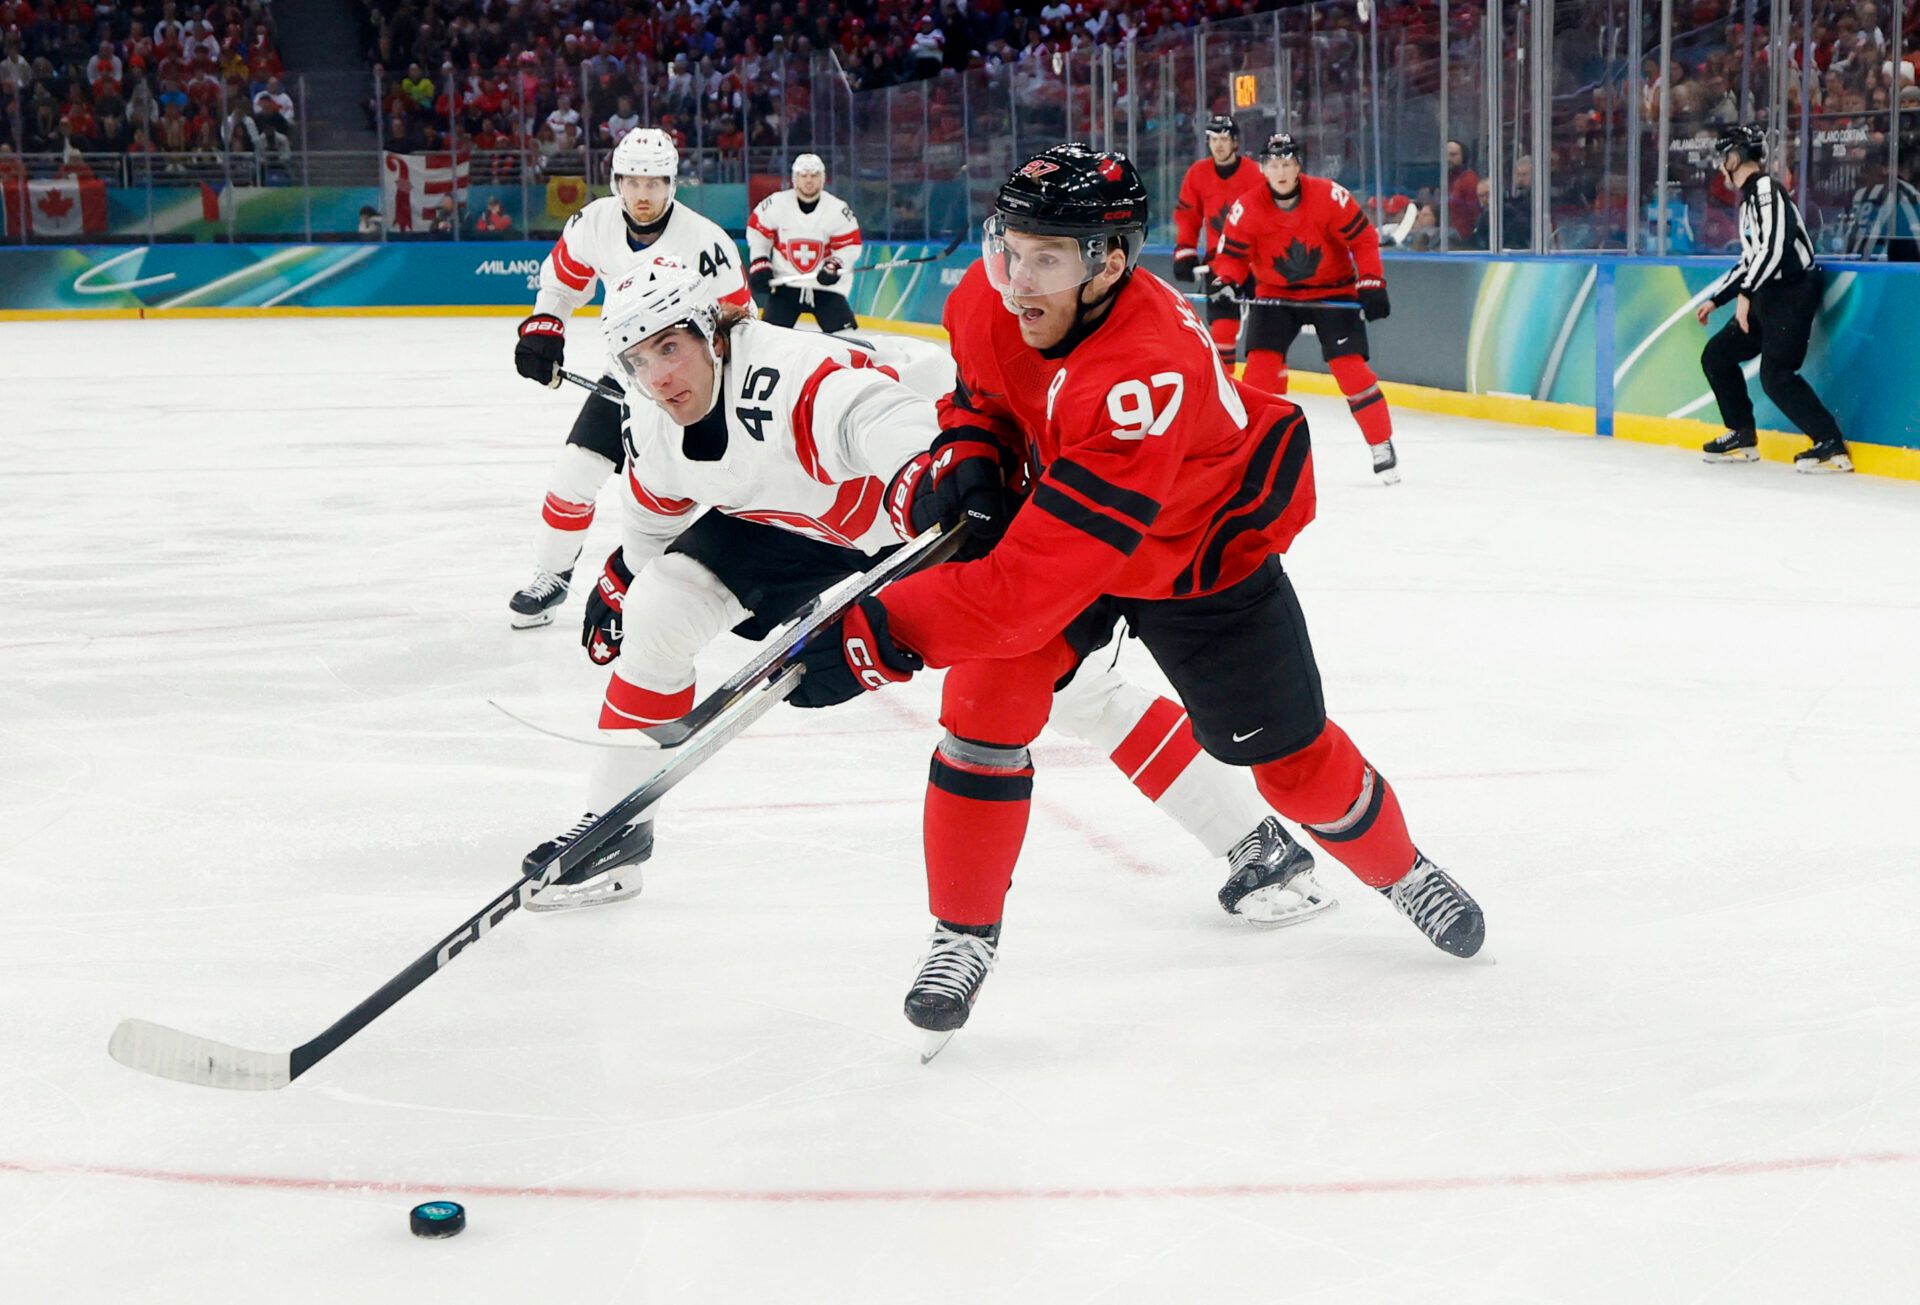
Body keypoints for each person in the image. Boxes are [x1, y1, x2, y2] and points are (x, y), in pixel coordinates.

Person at [789, 144, 1486, 1046]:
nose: (1017, 278)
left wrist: (877, 632)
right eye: (1011, 246)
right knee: (985, 705)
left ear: (1110, 263)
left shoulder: (1142, 366)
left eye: (1050, 257)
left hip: (1196, 551)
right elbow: (983, 396)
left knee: (1288, 761)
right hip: (1077, 520)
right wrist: (970, 449)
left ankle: (1402, 870)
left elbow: (1030, 587)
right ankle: (962, 931)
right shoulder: (986, 294)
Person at [525, 255, 1334, 928]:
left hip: (891, 513)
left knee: (1069, 685)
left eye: (671, 347)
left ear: (713, 329)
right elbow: (656, 508)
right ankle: (615, 833)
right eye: (639, 359)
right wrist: (623, 573)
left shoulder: (792, 376)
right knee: (662, 607)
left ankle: (1255, 838)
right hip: (792, 529)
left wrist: (932, 489)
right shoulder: (652, 418)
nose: (659, 377)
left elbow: (887, 421)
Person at [507, 126, 752, 630]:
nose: (644, 195)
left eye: (655, 183)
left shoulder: (707, 241)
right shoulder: (592, 223)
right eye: (634, 182)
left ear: (673, 184)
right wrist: (544, 328)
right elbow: (561, 283)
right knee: (573, 474)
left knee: (717, 492)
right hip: (627, 378)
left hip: (695, 392)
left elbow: (742, 325)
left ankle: (762, 575)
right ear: (617, 181)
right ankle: (552, 575)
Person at [1211, 134, 1402, 484]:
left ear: (1298, 166)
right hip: (1274, 295)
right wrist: (1225, 281)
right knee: (1259, 374)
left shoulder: (1329, 196)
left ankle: (1381, 443)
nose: (1280, 171)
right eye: (1273, 164)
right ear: (1263, 169)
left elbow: (1363, 239)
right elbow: (1233, 257)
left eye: (1286, 164)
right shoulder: (1248, 206)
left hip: (1332, 292)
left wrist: (1372, 281)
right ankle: (1255, 451)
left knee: (1350, 370)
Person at [1696, 125, 1852, 473]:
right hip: (1768, 294)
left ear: (1734, 158)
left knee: (1776, 374)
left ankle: (1829, 443)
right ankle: (1742, 433)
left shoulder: (1766, 188)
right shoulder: (1749, 203)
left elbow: (1775, 248)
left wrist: (1745, 295)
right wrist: (1719, 299)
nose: (1721, 167)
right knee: (1717, 356)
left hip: (1792, 294)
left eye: (1724, 158)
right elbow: (1751, 259)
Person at [1170, 114, 1267, 367]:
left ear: (1235, 142)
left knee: (1268, 332)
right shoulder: (1197, 174)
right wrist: (1185, 251)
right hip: (1219, 262)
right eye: (1213, 139)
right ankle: (1226, 389)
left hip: (1257, 262)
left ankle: (1269, 393)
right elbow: (1188, 216)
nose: (1219, 145)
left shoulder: (1255, 173)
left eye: (1224, 139)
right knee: (1223, 328)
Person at [746, 153, 863, 333]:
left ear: (822, 178)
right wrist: (759, 261)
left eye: (814, 175)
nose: (809, 180)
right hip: (785, 286)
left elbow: (848, 246)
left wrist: (834, 265)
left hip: (824, 286)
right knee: (768, 339)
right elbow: (758, 234)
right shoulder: (776, 204)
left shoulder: (837, 209)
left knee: (848, 338)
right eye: (803, 175)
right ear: (795, 178)